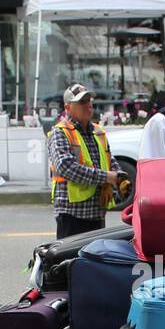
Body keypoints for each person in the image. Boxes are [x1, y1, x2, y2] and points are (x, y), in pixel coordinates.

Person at [48, 82, 121, 239]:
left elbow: (110, 161)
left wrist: (120, 177)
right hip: (72, 215)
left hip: (96, 213)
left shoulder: (97, 131)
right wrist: (107, 177)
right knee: (70, 263)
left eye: (89, 102)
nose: (88, 106)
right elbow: (66, 167)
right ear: (67, 108)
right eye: (82, 102)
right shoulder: (60, 132)